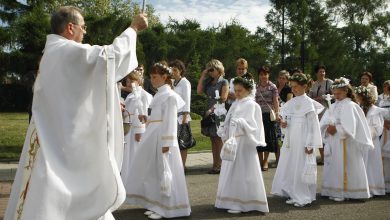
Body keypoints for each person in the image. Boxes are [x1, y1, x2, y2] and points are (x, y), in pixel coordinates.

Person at [4, 6, 148, 220]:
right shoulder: (65, 50)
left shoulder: (52, 53)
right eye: (83, 27)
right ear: (70, 27)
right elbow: (110, 57)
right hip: (61, 142)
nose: (85, 32)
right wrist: (133, 28)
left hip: (50, 136)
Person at [125, 62, 191, 220]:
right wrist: (146, 118)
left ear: (165, 77)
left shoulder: (169, 96)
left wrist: (167, 144)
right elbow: (158, 119)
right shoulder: (160, 94)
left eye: (155, 77)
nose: (152, 80)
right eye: (151, 77)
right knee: (154, 172)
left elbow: (169, 121)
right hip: (154, 137)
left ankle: (167, 208)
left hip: (162, 139)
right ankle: (156, 204)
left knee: (164, 172)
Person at [215, 77, 269, 214]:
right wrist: (223, 128)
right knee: (232, 170)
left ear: (248, 90)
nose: (237, 93)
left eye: (240, 90)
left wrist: (241, 123)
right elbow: (229, 120)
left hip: (244, 143)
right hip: (234, 141)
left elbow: (254, 126)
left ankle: (242, 203)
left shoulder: (252, 105)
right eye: (236, 90)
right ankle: (231, 200)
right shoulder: (235, 103)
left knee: (242, 171)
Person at [271, 73, 324, 207]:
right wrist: (284, 124)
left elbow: (313, 125)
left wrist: (311, 143)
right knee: (291, 164)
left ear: (305, 87)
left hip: (303, 139)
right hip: (291, 139)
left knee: (300, 165)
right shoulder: (290, 103)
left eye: (296, 86)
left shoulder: (308, 104)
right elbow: (286, 120)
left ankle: (303, 195)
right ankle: (292, 190)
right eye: (292, 86)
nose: (293, 89)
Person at [320, 77, 373, 202]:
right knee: (335, 164)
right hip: (334, 140)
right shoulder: (332, 106)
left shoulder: (350, 105)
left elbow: (350, 126)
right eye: (335, 93)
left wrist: (337, 128)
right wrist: (327, 127)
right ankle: (334, 190)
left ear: (345, 91)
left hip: (346, 142)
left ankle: (347, 192)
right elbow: (324, 122)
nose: (336, 96)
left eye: (338, 93)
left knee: (345, 164)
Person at [121, 70, 152, 194]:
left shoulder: (143, 95)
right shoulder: (130, 95)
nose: (128, 83)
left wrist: (140, 130)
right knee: (128, 155)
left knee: (135, 154)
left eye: (131, 81)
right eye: (127, 81)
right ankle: (127, 182)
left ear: (138, 81)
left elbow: (143, 111)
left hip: (137, 130)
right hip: (129, 128)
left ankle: (136, 183)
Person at [197, 59, 229, 174]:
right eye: (209, 69)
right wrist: (203, 75)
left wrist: (212, 109)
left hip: (219, 111)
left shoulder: (224, 81)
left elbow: (224, 98)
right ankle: (215, 164)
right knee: (213, 139)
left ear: (219, 70)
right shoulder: (208, 82)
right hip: (209, 112)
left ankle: (220, 165)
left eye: (212, 69)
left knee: (219, 139)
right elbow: (199, 91)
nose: (210, 72)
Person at [355, 86, 386, 196]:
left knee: (372, 164)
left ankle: (374, 188)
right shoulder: (358, 107)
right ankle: (362, 187)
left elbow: (378, 128)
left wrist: (366, 134)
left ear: (363, 97)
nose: (356, 98)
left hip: (371, 141)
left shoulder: (375, 110)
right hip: (360, 141)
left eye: (358, 96)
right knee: (362, 164)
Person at [255, 66, 279, 171]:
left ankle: (265, 161)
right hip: (257, 115)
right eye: (261, 74)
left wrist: (277, 113)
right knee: (258, 138)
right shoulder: (255, 87)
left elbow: (275, 101)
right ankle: (260, 161)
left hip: (269, 115)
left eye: (265, 74)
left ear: (268, 75)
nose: (263, 76)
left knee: (268, 138)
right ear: (259, 76)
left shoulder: (273, 87)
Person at [308, 64, 333, 164]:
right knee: (319, 133)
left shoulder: (329, 82)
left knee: (327, 133)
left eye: (323, 71)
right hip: (316, 112)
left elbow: (334, 95)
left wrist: (325, 97)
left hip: (327, 111)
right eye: (320, 71)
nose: (322, 73)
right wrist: (316, 99)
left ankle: (330, 156)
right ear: (316, 73)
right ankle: (323, 157)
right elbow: (309, 97)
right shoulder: (313, 84)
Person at [170, 59, 192, 169]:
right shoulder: (172, 82)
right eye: (172, 70)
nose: (173, 72)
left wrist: (185, 116)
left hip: (182, 115)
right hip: (173, 115)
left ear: (180, 70)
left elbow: (186, 100)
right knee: (175, 141)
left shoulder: (185, 82)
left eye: (175, 70)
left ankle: (182, 166)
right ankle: (176, 164)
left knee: (183, 142)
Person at [378, 81, 390, 193]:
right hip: (385, 130)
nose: (386, 88)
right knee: (385, 158)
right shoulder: (382, 100)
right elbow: (379, 115)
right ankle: (386, 183)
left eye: (388, 86)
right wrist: (384, 122)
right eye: (385, 86)